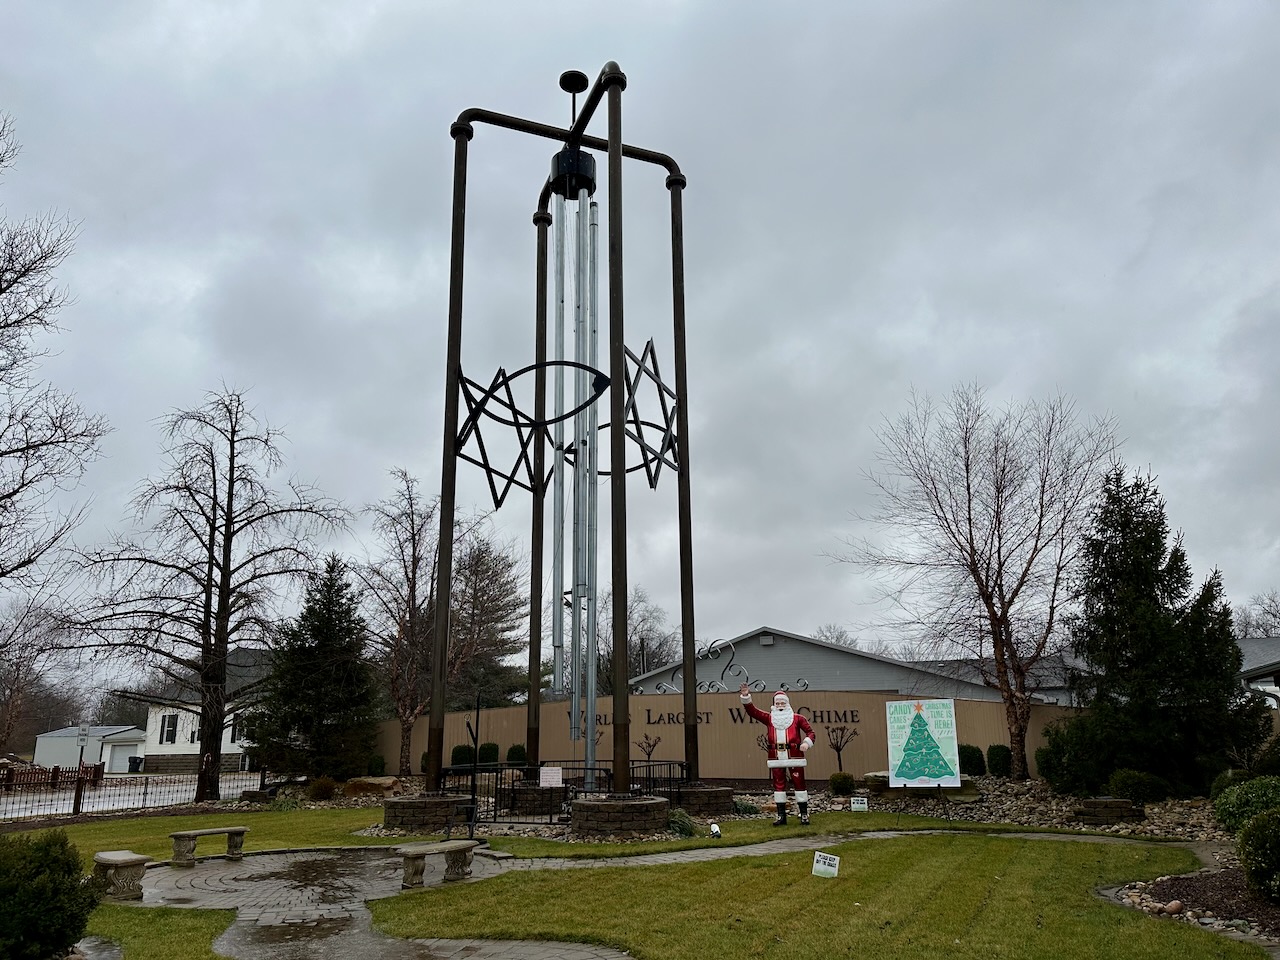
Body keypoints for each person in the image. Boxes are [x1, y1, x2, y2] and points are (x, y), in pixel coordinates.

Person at [739, 683, 816, 825]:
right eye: (778, 703)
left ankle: (804, 813)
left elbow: (811, 732)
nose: (780, 705)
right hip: (776, 757)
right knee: (778, 786)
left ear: (787, 704)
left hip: (795, 756)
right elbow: (753, 712)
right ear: (774, 704)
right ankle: (781, 816)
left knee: (799, 784)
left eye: (782, 702)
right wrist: (745, 697)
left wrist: (806, 743)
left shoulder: (798, 718)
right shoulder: (770, 718)